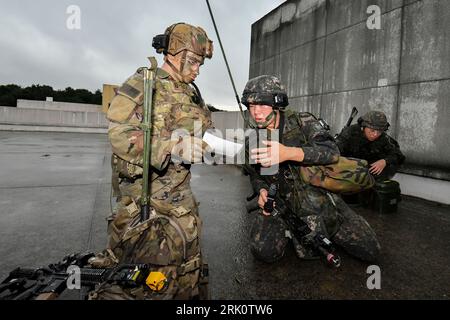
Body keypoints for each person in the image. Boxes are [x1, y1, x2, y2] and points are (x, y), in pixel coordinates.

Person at [89, 22, 213, 300]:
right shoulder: (143, 83)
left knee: (188, 274)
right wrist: (172, 147)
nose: (197, 68)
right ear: (172, 54)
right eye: (192, 61)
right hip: (146, 202)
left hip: (182, 200)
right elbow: (120, 136)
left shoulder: (191, 92)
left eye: (200, 63)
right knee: (149, 284)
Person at [242, 75, 381, 264]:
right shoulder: (253, 139)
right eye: (251, 106)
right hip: (283, 207)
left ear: (277, 104)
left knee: (370, 250)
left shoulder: (302, 122)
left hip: (322, 200)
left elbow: (331, 153)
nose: (256, 112)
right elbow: (255, 174)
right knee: (263, 252)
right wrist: (262, 190)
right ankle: (290, 231)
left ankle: (327, 226)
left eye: (262, 105)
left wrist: (289, 153)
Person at [336, 110, 405, 182]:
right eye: (372, 130)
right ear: (363, 127)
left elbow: (398, 154)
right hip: (348, 169)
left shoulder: (383, 138)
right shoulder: (349, 133)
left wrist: (384, 161)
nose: (375, 134)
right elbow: (335, 151)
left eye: (379, 131)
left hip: (369, 171)